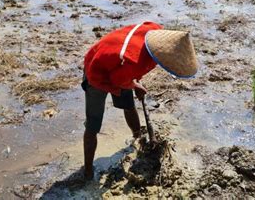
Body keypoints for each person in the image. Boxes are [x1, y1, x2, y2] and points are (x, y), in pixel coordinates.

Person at [81, 21, 199, 180]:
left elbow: (125, 72)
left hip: (119, 64)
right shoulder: (134, 63)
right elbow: (117, 80)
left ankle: (138, 139)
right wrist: (134, 84)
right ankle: (88, 171)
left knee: (129, 105)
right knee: (93, 124)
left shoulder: (154, 30)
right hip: (96, 71)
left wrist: (133, 82)